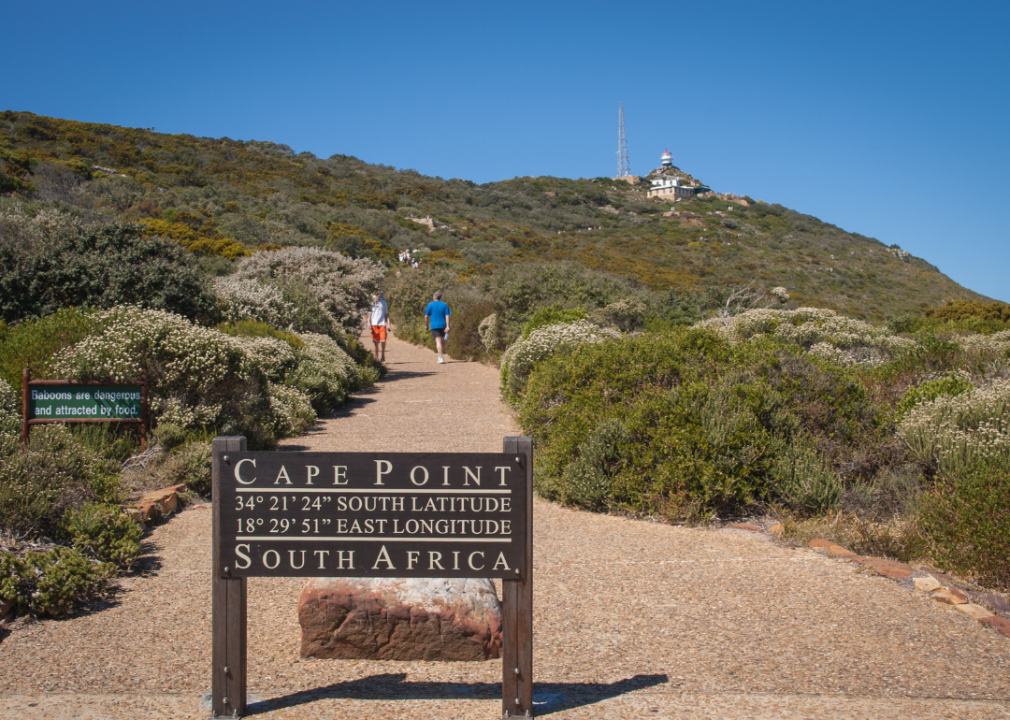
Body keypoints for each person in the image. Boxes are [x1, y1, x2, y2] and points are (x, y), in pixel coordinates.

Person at [424, 290, 451, 364]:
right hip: (443, 325)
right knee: (442, 341)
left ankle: (440, 357)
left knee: (438, 341)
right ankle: (441, 356)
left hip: (434, 325)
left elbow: (426, 316)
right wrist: (448, 326)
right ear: (440, 297)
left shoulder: (430, 305)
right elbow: (447, 315)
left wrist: (426, 325)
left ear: (434, 297)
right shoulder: (444, 305)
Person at [367, 290, 390, 362]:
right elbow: (369, 314)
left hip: (382, 324)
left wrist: (388, 323)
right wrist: (368, 322)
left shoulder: (384, 303)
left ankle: (383, 354)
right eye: (377, 294)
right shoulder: (372, 303)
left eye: (380, 294)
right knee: (375, 341)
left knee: (383, 340)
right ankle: (376, 357)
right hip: (374, 324)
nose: (378, 295)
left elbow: (386, 313)